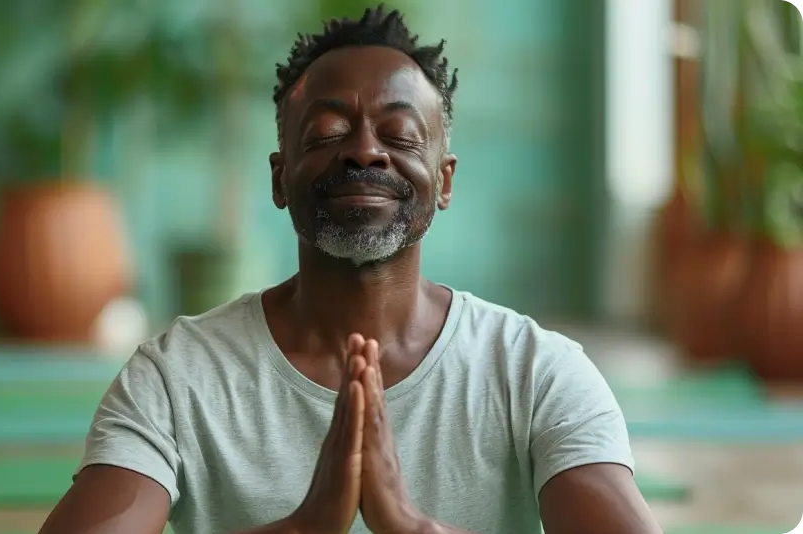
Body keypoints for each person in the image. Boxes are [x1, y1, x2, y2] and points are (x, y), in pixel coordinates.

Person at [39, 5, 662, 534]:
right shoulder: (178, 376)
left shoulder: (537, 373)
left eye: (400, 135)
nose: (364, 150)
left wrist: (414, 528)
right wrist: (302, 527)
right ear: (281, 178)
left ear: (444, 181)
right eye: (327, 133)